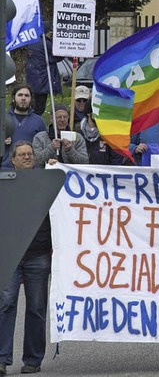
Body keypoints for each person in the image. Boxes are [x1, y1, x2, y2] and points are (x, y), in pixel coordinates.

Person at [0, 142, 52, 374]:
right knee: (5, 305)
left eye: (30, 154)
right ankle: (2, 358)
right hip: (10, 255)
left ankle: (32, 359)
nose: (27, 158)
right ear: (13, 160)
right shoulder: (5, 184)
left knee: (37, 308)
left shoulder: (45, 182)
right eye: (22, 155)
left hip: (38, 255)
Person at [25, 23, 63, 116]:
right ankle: (34, 125)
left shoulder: (32, 43)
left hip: (32, 80)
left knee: (33, 107)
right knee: (39, 109)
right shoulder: (46, 44)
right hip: (42, 81)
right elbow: (60, 55)